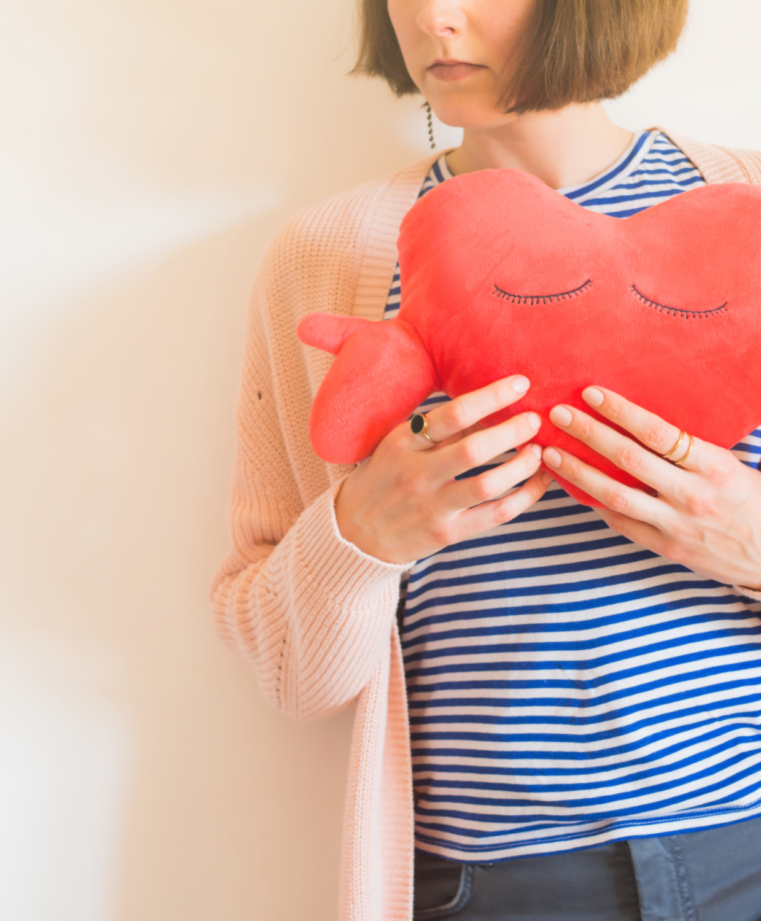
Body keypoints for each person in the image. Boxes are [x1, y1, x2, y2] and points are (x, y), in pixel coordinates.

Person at [211, 1, 761, 918]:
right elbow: (292, 677)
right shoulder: (328, 259)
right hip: (496, 886)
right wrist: (359, 538)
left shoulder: (747, 216)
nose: (435, 17)